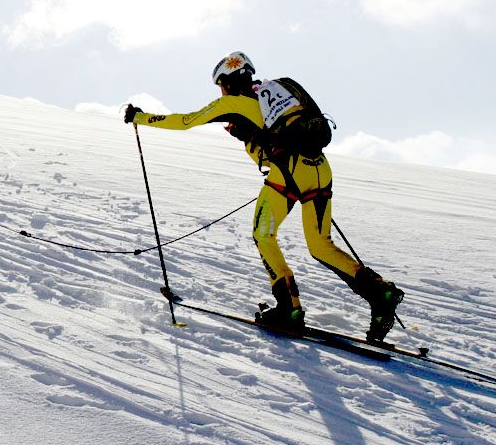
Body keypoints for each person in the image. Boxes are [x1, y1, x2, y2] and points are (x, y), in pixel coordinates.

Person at [124, 51, 404, 342]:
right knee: (321, 245)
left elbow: (185, 121)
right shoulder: (278, 91)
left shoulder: (232, 103)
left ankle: (289, 309)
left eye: (220, 85)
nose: (220, 91)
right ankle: (381, 294)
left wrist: (140, 118)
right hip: (319, 168)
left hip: (287, 173)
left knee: (263, 234)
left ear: (227, 82)